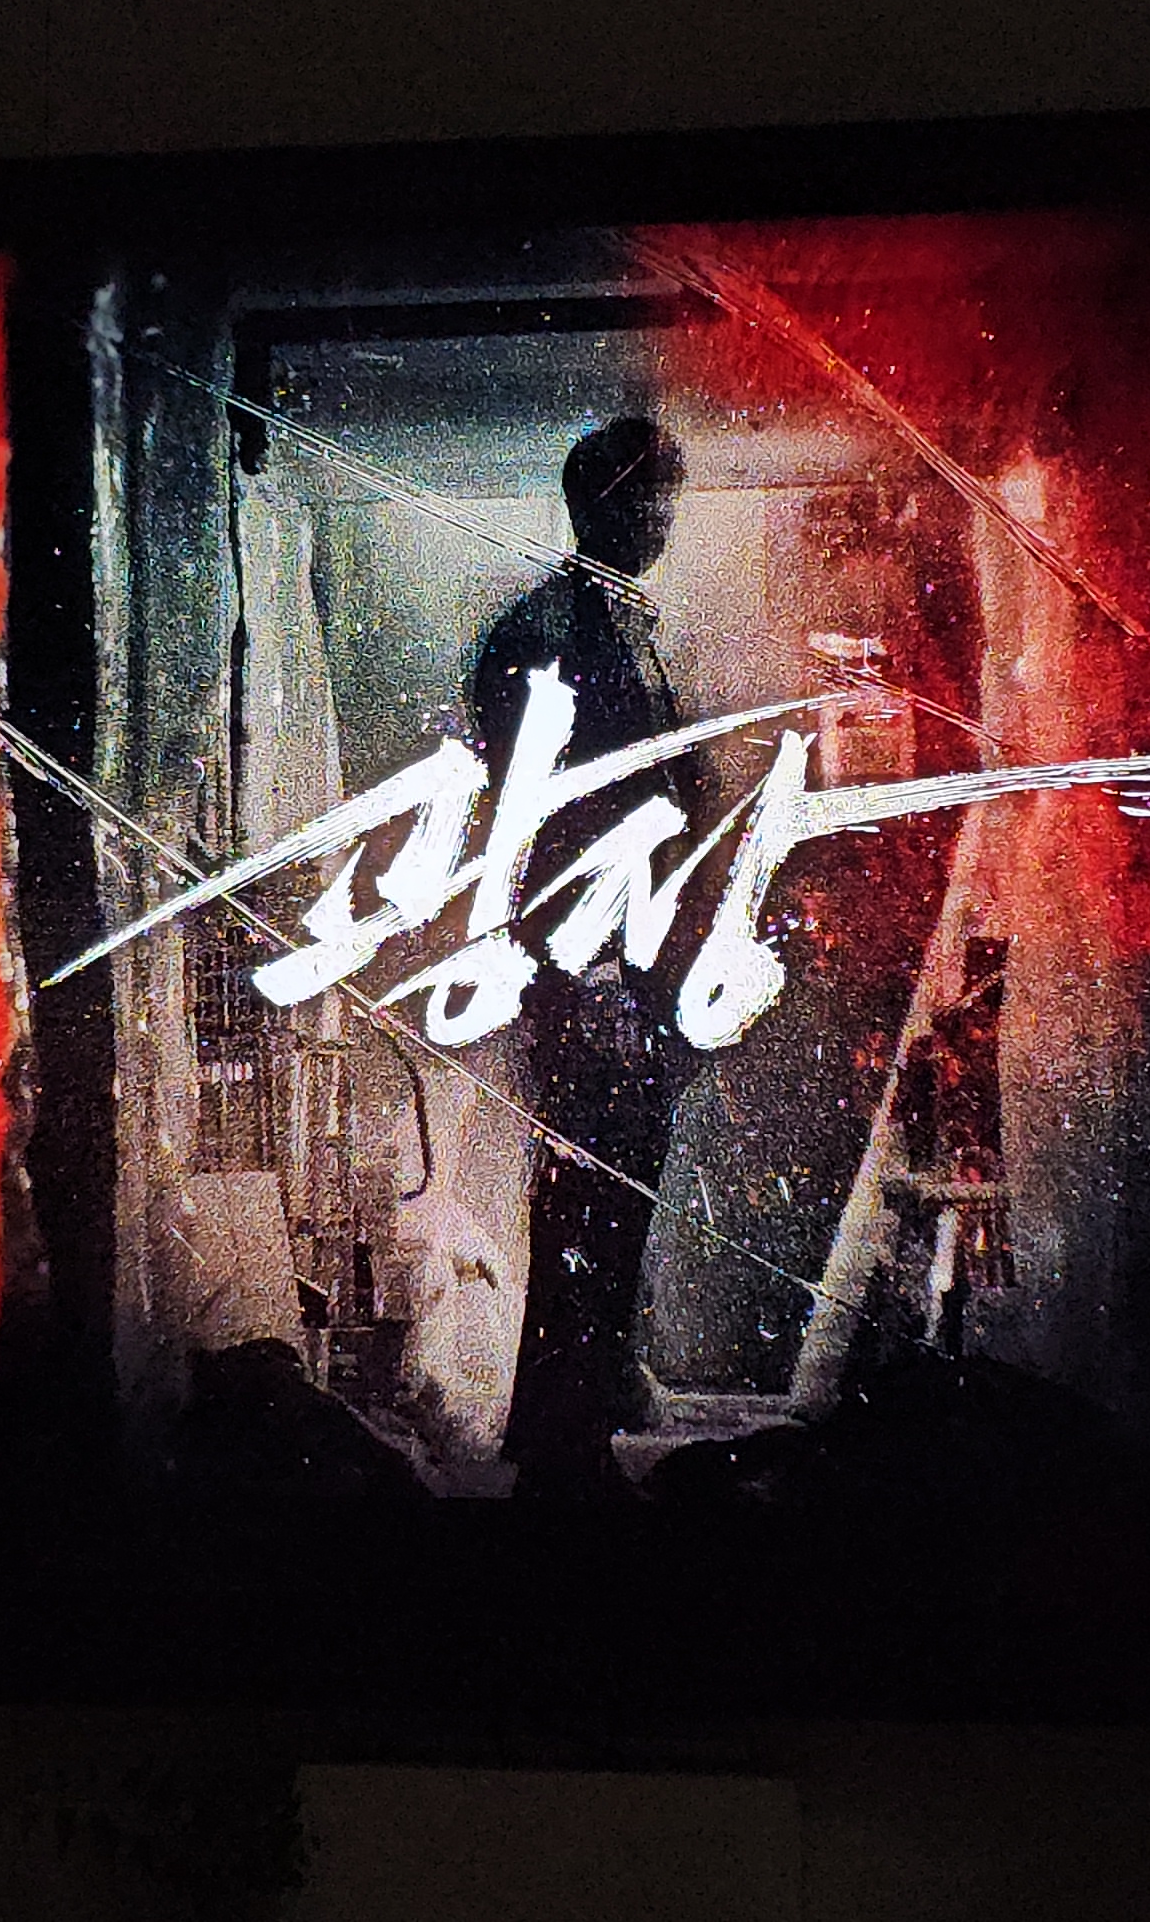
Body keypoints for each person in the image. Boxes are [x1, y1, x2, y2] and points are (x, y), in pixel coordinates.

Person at [464, 415, 701, 1499]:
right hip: (588, 963)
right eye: (645, 498)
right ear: (594, 505)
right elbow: (533, 811)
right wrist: (591, 962)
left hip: (625, 963)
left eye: (666, 499)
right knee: (587, 1200)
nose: (660, 521)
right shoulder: (551, 630)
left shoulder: (617, 625)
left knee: (611, 1197)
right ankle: (562, 1441)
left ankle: (577, 1425)